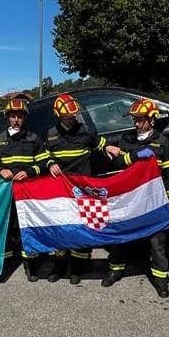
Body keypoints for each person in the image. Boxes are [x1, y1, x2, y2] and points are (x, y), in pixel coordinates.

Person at [103, 98, 169, 298]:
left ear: (151, 119)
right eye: (134, 119)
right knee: (120, 234)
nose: (136, 123)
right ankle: (115, 270)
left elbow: (168, 176)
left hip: (153, 200)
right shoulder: (127, 139)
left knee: (157, 241)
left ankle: (161, 280)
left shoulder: (163, 142)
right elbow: (117, 162)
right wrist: (134, 156)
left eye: (140, 119)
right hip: (130, 198)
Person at [44, 92, 119, 284]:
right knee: (61, 228)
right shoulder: (51, 133)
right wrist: (50, 163)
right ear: (58, 115)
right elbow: (44, 155)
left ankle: (78, 269)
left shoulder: (86, 131)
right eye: (67, 116)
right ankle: (59, 267)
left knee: (82, 228)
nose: (71, 118)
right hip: (61, 191)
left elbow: (100, 143)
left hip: (83, 190)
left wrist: (109, 147)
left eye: (73, 115)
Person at [0, 99, 49, 282]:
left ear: (24, 118)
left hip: (27, 193)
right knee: (5, 229)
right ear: (7, 118)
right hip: (5, 194)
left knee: (27, 228)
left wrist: (29, 172)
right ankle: (4, 267)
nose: (16, 120)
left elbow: (44, 163)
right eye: (13, 116)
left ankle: (31, 266)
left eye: (20, 116)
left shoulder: (34, 138)